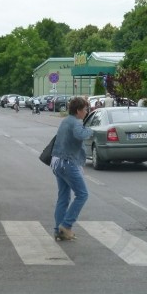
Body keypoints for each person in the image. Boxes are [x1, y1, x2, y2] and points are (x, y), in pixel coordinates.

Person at [51, 97, 93, 241]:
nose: (87, 112)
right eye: (85, 109)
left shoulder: (66, 121)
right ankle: (66, 225)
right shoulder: (75, 122)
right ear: (78, 111)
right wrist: (90, 130)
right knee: (82, 194)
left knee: (63, 197)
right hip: (67, 163)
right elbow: (80, 134)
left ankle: (58, 230)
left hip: (57, 162)